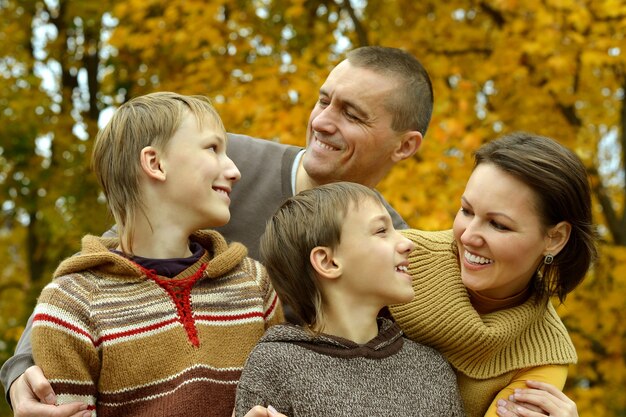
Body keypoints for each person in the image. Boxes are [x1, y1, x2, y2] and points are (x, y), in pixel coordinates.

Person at [1, 47, 579, 417]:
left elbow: (489, 317)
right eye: (324, 100)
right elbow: (112, 266)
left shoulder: (392, 253)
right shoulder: (227, 170)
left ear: (405, 147)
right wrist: (20, 374)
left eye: (353, 114)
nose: (324, 122)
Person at [28, 92, 284, 417]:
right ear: (155, 163)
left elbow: (281, 399)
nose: (234, 171)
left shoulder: (253, 284)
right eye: (212, 149)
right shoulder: (71, 307)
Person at [389, 132, 596, 417]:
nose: (469, 236)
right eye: (466, 211)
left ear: (555, 238)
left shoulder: (541, 357)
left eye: (498, 225)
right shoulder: (399, 255)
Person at [235, 182, 464, 416]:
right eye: (381, 231)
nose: (408, 243)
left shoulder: (430, 368)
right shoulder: (274, 366)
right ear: (328, 262)